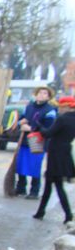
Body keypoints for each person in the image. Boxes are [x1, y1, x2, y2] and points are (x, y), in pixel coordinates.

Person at [33, 95, 75, 223]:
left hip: (56, 153)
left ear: (67, 106)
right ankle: (40, 212)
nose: (59, 109)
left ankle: (68, 214)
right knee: (49, 184)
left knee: (57, 185)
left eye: (61, 107)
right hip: (65, 152)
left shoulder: (62, 119)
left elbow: (48, 133)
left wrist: (39, 127)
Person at [16, 86, 57, 199]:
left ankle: (34, 191)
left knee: (35, 166)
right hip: (25, 140)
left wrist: (31, 128)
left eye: (45, 93)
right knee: (21, 164)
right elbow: (22, 118)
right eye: (40, 92)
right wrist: (21, 123)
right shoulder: (29, 107)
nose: (42, 95)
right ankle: (21, 187)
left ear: (49, 97)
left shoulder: (50, 110)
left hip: (39, 141)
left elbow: (48, 127)